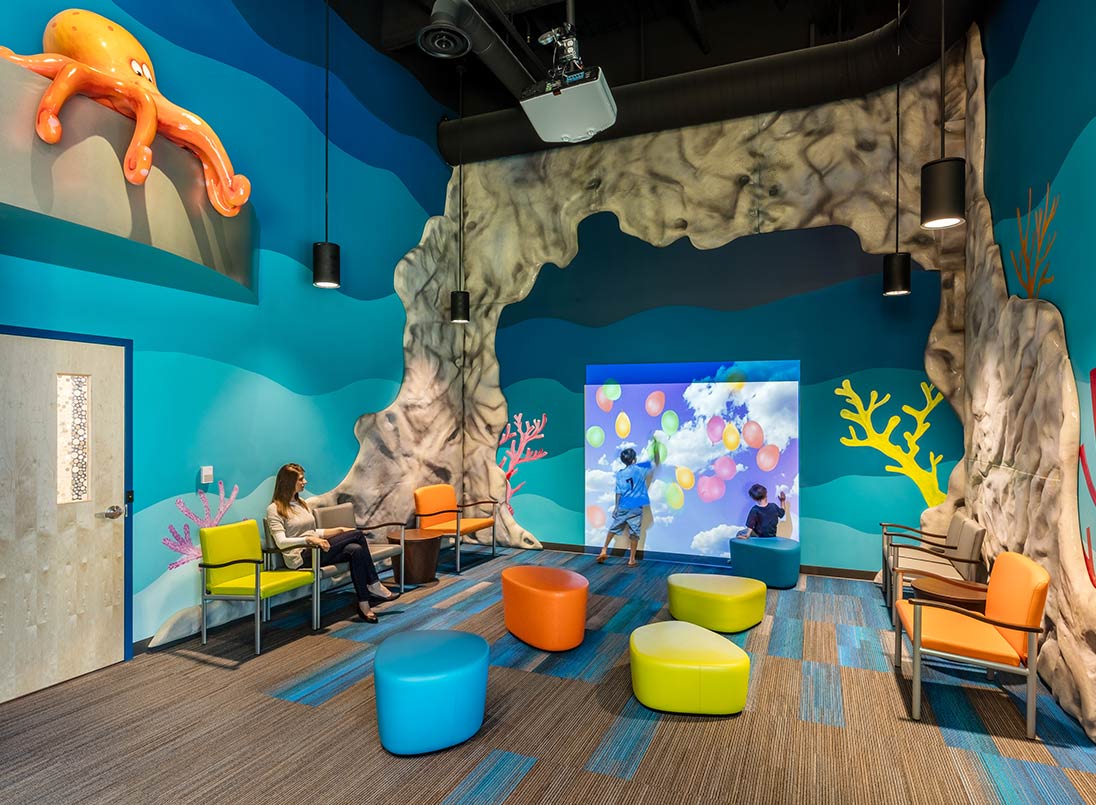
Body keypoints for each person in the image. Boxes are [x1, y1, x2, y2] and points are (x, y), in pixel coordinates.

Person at [265, 463, 398, 624]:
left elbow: (314, 532)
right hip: (300, 557)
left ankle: (364, 605)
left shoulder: (302, 504)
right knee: (356, 534)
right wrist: (308, 540)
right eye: (301, 479)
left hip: (316, 548)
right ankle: (374, 584)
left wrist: (338, 530)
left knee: (355, 550)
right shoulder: (274, 509)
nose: (305, 482)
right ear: (288, 482)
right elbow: (281, 542)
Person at [597, 446, 657, 567]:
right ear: (634, 460)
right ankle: (631, 559)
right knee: (634, 533)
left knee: (613, 528)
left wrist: (616, 507)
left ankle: (604, 549)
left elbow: (618, 492)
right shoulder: (640, 469)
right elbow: (654, 461)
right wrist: (656, 447)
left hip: (623, 505)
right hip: (636, 507)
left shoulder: (620, 474)